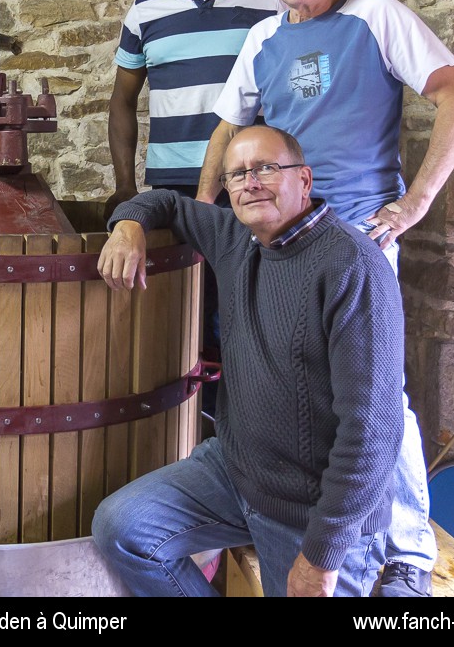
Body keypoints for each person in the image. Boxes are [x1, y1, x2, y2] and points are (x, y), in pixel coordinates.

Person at [196, 0, 454, 597]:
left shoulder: (377, 17)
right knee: (298, 386)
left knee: (379, 398)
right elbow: (228, 130)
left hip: (355, 236)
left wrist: (413, 203)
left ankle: (409, 552)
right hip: (280, 238)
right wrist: (210, 215)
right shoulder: (263, 35)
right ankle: (317, 528)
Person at [92, 125, 405, 597]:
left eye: (266, 168)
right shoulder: (237, 237)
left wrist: (322, 557)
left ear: (305, 180)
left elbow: (373, 435)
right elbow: (167, 203)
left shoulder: (352, 268)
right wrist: (128, 225)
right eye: (236, 174)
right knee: (123, 528)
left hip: (310, 511)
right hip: (236, 475)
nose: (250, 182)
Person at [107, 0, 282, 411]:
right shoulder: (147, 9)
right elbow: (121, 104)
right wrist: (125, 185)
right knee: (181, 310)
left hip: (250, 184)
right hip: (173, 191)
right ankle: (193, 422)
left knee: (245, 309)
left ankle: (245, 417)